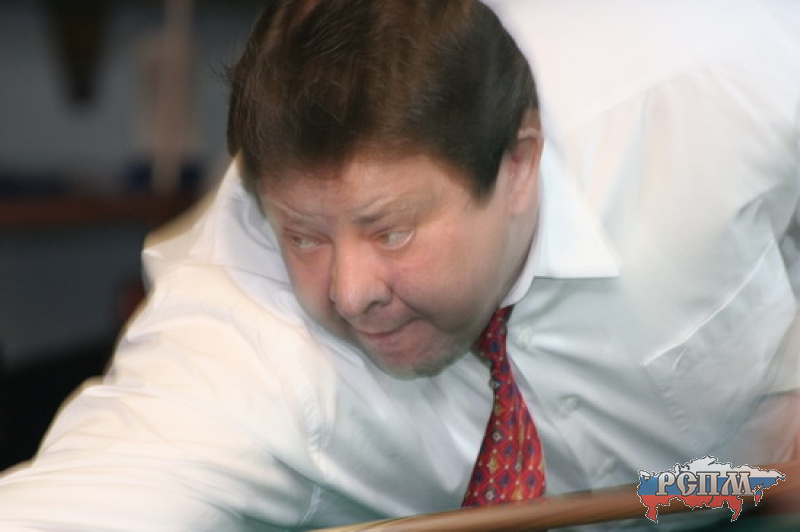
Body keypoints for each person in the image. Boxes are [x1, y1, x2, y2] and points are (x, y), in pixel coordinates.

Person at [1, 0, 799, 530]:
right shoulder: (246, 315)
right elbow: (90, 494)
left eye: (390, 232)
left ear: (518, 163)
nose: (349, 294)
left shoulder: (701, 77)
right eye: (305, 236)